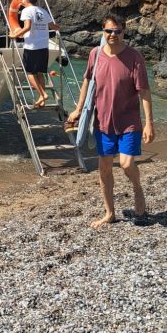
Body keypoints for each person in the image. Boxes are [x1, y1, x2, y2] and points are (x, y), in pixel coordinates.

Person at [67, 13, 155, 228]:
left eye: (117, 31)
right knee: (104, 168)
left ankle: (137, 187)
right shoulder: (95, 54)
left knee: (126, 164)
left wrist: (149, 123)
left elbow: (144, 92)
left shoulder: (134, 57)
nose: (113, 35)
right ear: (103, 32)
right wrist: (78, 109)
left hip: (129, 121)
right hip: (103, 122)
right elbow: (87, 81)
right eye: (108, 31)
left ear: (124, 31)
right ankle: (110, 213)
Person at [10, 0, 59, 108]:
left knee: (30, 73)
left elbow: (27, 27)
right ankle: (42, 99)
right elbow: (53, 26)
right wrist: (59, 28)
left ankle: (43, 94)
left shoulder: (26, 11)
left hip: (32, 46)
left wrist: (15, 35)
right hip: (44, 46)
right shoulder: (42, 11)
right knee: (40, 73)